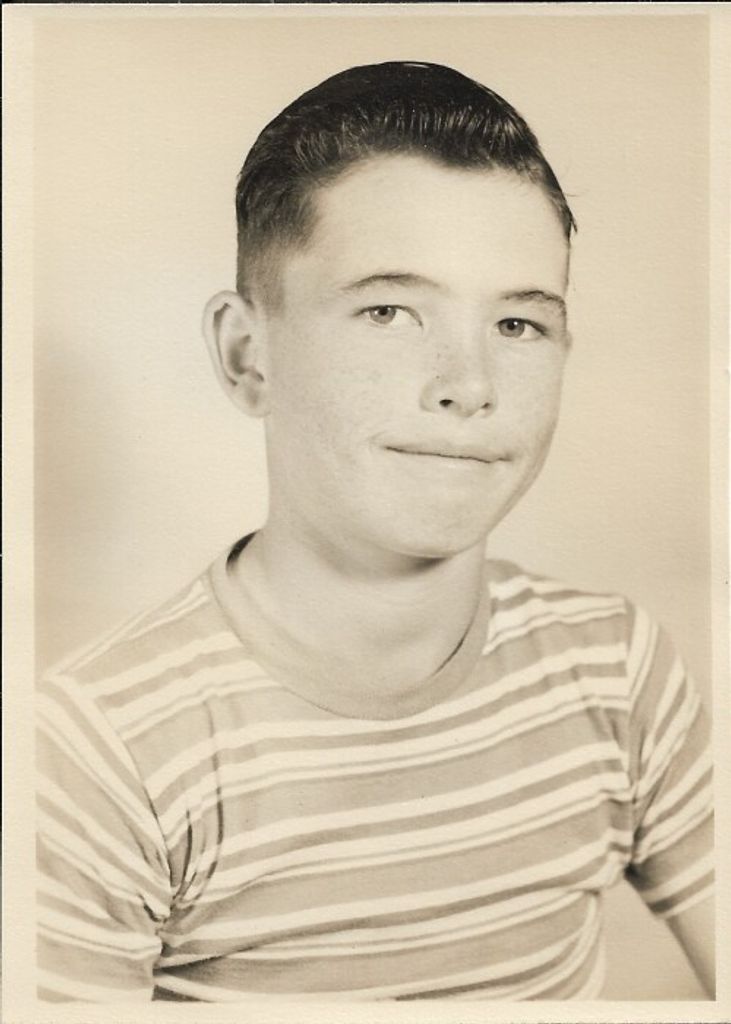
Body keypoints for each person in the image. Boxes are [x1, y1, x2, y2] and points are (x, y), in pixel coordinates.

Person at [36, 61, 714, 1002]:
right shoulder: (96, 754)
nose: (467, 384)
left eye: (517, 324)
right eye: (387, 312)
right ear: (246, 354)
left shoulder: (615, 668)